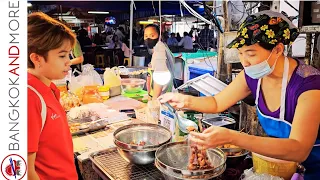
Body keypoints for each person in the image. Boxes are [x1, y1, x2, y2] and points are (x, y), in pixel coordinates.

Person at [159, 11, 320, 179]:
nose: (244, 62)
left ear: (278, 49)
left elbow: (299, 149)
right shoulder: (252, 76)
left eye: (251, 54)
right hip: (278, 166)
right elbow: (216, 103)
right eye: (240, 54)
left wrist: (233, 137)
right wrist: (185, 100)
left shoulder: (309, 86)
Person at [27, 12, 78, 180]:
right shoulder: (29, 97)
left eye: (69, 55)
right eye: (62, 55)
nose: (68, 61)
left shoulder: (49, 87)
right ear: (36, 58)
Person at [144, 24, 175, 99]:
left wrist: (155, 100)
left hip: (162, 97)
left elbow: (160, 77)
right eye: (146, 36)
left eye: (152, 36)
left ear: (159, 36)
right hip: (163, 95)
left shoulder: (159, 49)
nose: (148, 38)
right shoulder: (160, 46)